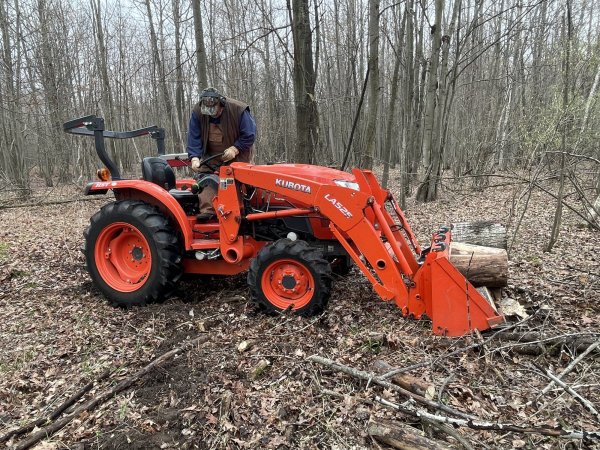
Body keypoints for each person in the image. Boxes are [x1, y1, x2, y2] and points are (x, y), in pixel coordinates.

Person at [187, 87, 256, 221]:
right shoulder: (198, 112)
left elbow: (249, 134)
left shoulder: (238, 110)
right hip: (211, 158)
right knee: (207, 180)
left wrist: (235, 149)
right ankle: (209, 212)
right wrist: (194, 157)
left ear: (221, 105)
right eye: (208, 111)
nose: (211, 114)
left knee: (232, 183)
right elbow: (194, 137)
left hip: (237, 156)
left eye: (214, 110)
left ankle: (236, 214)